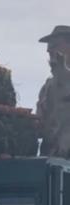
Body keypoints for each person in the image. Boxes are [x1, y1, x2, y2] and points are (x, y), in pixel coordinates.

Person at [37, 26, 70, 158]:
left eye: (55, 45)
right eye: (49, 48)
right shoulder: (47, 86)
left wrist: (63, 74)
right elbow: (40, 125)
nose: (49, 50)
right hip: (50, 160)